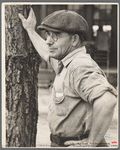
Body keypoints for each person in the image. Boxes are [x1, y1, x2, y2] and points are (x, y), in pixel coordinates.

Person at [18, 8, 117, 147]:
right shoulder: (65, 61)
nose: (48, 41)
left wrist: (91, 143)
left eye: (56, 36)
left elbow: (107, 101)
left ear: (74, 39)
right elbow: (46, 52)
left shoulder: (79, 66)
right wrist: (30, 30)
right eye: (47, 35)